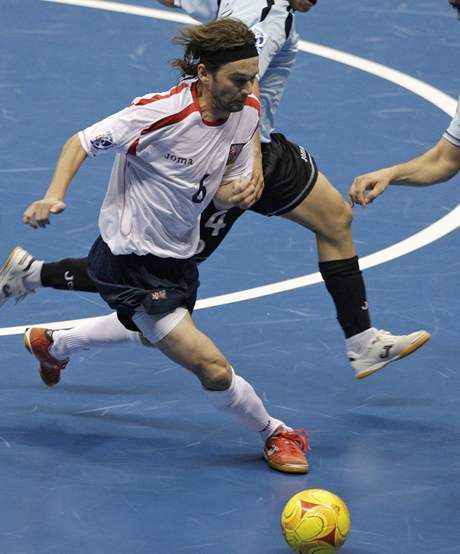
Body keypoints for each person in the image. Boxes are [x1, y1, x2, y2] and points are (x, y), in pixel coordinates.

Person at [0, 0, 430, 380]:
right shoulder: (267, 10)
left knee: (335, 219)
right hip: (229, 157)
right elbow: (246, 80)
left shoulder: (259, 7)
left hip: (260, 148)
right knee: (154, 273)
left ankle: (362, 342)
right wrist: (249, 163)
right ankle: (36, 281)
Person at [18, 19, 310, 474]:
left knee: (150, 334)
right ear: (204, 74)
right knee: (210, 367)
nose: (250, 88)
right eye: (239, 79)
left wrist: (236, 187)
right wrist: (55, 194)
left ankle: (53, 345)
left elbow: (235, 152)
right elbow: (79, 143)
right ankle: (275, 432)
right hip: (129, 263)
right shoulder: (157, 114)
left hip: (179, 254)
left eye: (252, 76)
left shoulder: (245, 109)